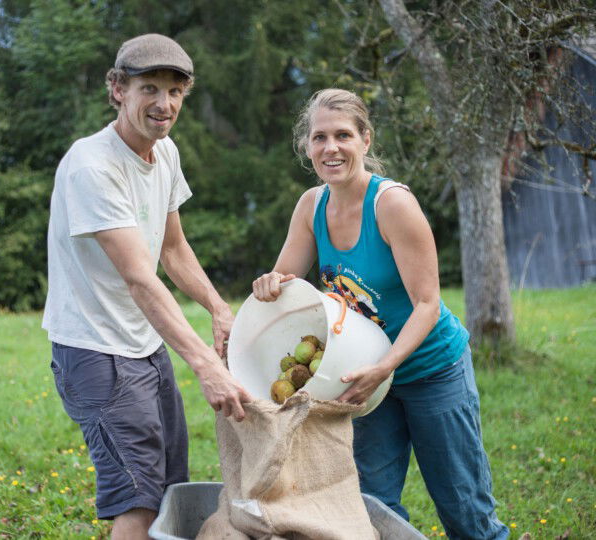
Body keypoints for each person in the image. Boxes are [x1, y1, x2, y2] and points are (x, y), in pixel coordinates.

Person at [252, 88, 509, 539]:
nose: (330, 148)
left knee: (464, 508)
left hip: (431, 370)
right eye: (319, 138)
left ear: (365, 140)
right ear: (306, 146)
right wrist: (270, 283)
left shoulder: (391, 204)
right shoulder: (311, 206)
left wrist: (386, 366)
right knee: (371, 507)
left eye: (343, 135)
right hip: (363, 377)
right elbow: (286, 282)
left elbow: (428, 303)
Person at [42, 33, 251, 539]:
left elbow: (173, 249)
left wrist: (219, 309)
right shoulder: (93, 166)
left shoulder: (165, 151)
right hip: (95, 351)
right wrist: (204, 363)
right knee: (137, 501)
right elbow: (139, 276)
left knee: (166, 491)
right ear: (117, 88)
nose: (164, 104)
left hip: (144, 346)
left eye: (176, 91)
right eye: (149, 89)